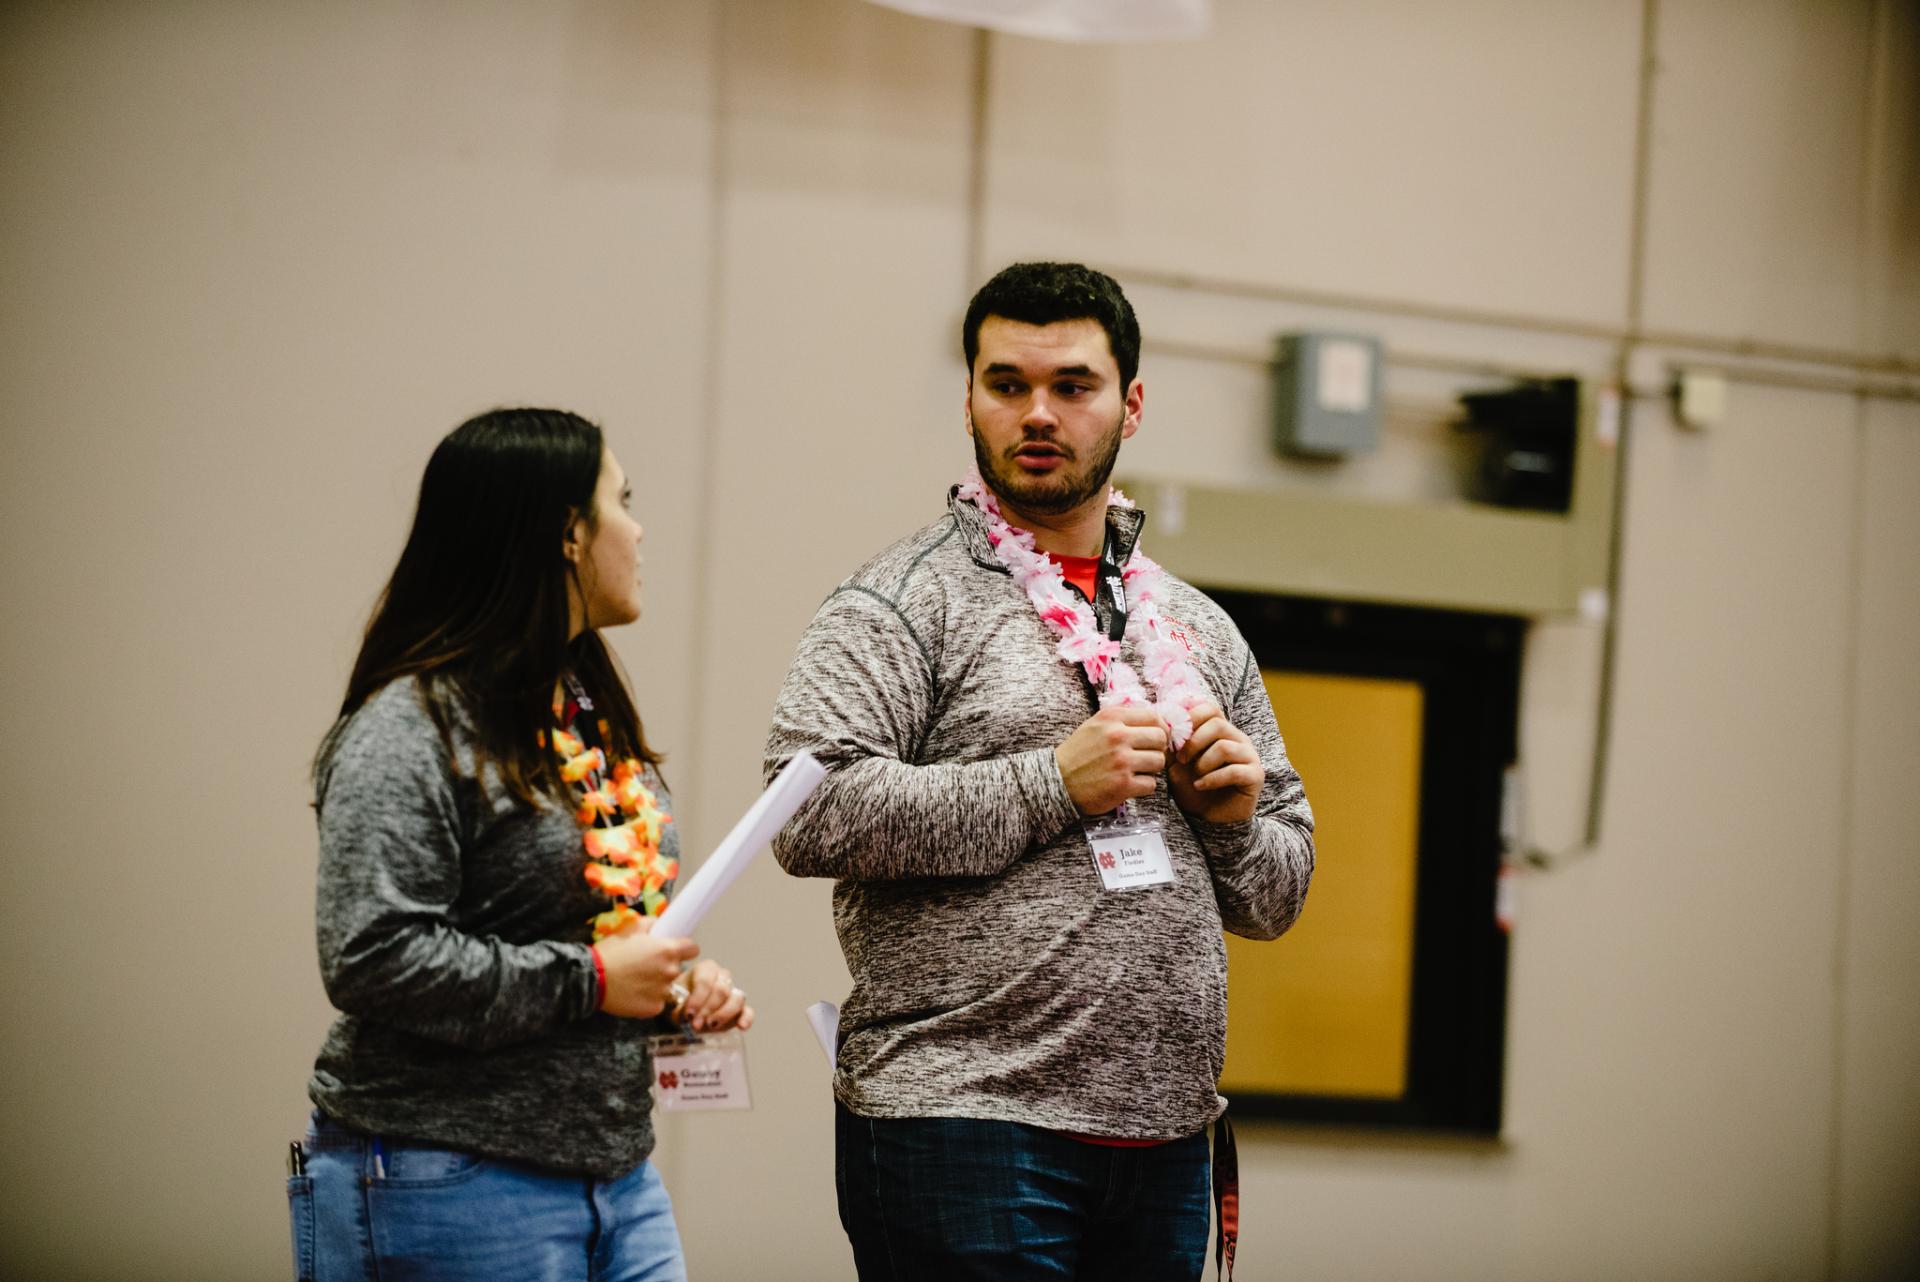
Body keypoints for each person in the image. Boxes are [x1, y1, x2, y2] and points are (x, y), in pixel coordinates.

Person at [764, 262, 1315, 1281]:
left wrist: (1230, 818)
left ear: (1131, 404)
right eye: (1006, 383)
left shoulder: (1198, 628)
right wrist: (1052, 781)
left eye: (1072, 385)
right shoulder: (899, 601)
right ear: (970, 397)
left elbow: (1280, 892)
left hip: (1164, 1134)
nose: (1037, 412)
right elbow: (808, 811)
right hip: (964, 1118)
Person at [292, 408, 751, 1282]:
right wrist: (598, 981)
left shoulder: (578, 706)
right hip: (447, 1174)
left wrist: (670, 986)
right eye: (624, 500)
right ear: (568, 536)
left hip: (616, 1175)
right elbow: (370, 957)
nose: (641, 527)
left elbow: (589, 924)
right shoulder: (412, 725)